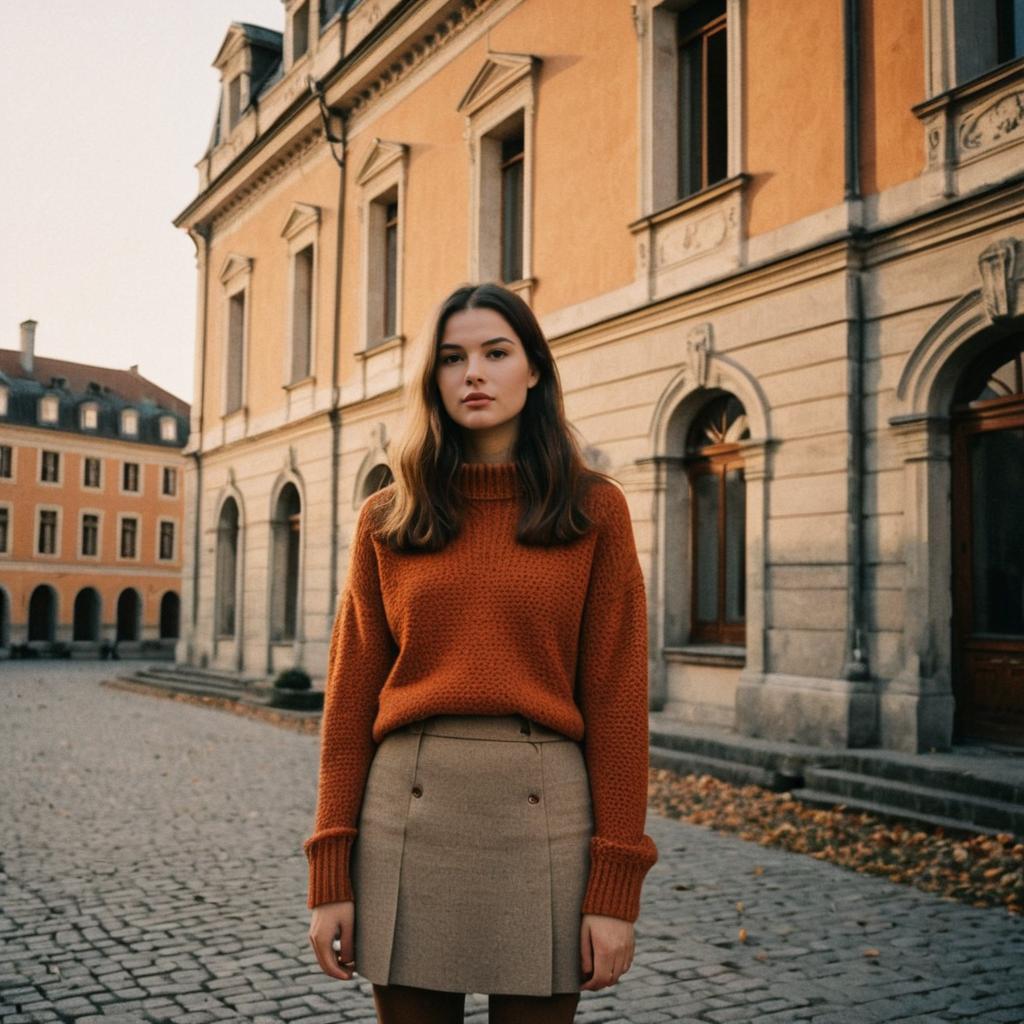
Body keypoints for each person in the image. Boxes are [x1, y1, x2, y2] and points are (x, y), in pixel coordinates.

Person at [304, 282, 658, 1023]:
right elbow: (348, 704)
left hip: (546, 823)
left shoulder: (595, 509)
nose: (473, 373)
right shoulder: (387, 517)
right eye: (452, 358)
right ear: (431, 377)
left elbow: (619, 706)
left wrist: (615, 890)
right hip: (405, 820)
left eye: (496, 353)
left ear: (534, 370)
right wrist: (330, 872)